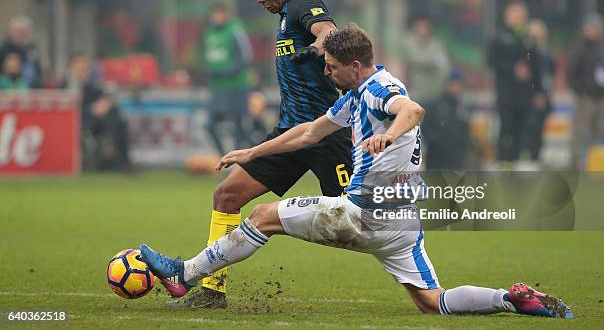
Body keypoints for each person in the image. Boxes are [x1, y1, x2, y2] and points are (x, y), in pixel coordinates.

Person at [139, 24, 572, 320]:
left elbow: (413, 110)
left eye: (330, 66)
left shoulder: (380, 89)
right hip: (403, 223)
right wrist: (252, 152)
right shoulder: (357, 92)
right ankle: (511, 300)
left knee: (261, 217)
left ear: (355, 66)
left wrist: (389, 134)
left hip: (364, 214)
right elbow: (308, 132)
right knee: (429, 301)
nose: (325, 72)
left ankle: (184, 274)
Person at [168, 0, 353, 309]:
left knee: (359, 222)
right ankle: (212, 289)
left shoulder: (303, 3)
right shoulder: (286, 12)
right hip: (289, 135)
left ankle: (421, 269)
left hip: (325, 134)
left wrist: (317, 49)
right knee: (227, 196)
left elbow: (328, 32)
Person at [487, 0, 542, 167]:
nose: (518, 18)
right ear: (507, 16)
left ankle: (517, 162)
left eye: (521, 15)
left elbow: (536, 65)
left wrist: (538, 90)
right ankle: (503, 161)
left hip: (524, 94)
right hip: (506, 92)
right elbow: (491, 61)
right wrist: (512, 69)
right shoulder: (499, 37)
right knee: (506, 127)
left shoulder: (529, 39)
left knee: (522, 128)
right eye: (514, 14)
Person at [202, 2, 255, 155]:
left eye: (220, 13)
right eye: (214, 14)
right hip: (218, 87)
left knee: (239, 127)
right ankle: (222, 157)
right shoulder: (209, 33)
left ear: (226, 14)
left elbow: (245, 58)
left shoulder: (235, 30)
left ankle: (245, 159)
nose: (217, 17)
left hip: (236, 86)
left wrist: (226, 71)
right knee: (210, 125)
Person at [64, 53, 131, 171]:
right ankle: (117, 160)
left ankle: (120, 161)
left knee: (116, 118)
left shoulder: (91, 85)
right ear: (71, 66)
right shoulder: (65, 85)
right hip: (78, 120)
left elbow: (103, 98)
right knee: (114, 121)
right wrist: (91, 109)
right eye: (80, 64)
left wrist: (105, 104)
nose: (84, 67)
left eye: (85, 65)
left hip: (97, 120)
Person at [567, 13, 604, 169]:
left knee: (597, 130)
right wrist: (581, 91)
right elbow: (572, 73)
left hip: (601, 96)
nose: (594, 31)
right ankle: (574, 162)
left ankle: (593, 162)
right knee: (580, 130)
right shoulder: (579, 48)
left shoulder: (601, 48)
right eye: (591, 27)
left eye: (596, 28)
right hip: (586, 97)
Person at [421, 70, 470, 170]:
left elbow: (465, 132)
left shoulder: (463, 108)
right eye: (453, 84)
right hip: (436, 159)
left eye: (458, 85)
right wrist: (436, 144)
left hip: (456, 161)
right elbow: (426, 129)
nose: (455, 88)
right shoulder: (434, 106)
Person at [523, 19, 555, 165]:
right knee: (530, 128)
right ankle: (528, 158)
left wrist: (547, 94)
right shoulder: (528, 52)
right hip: (532, 97)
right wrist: (537, 93)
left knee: (539, 129)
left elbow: (550, 74)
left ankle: (536, 158)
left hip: (545, 95)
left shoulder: (547, 52)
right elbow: (530, 76)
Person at [401, 15, 450, 104]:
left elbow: (442, 65)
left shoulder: (436, 45)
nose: (422, 30)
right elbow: (403, 62)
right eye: (419, 26)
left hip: (432, 91)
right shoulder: (407, 43)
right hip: (411, 92)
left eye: (425, 27)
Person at [0, 15, 43, 88]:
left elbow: (38, 70)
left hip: (29, 86)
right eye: (18, 31)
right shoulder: (4, 48)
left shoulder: (32, 48)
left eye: (24, 32)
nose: (21, 34)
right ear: (12, 32)